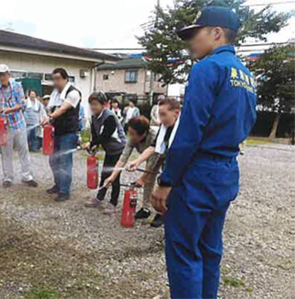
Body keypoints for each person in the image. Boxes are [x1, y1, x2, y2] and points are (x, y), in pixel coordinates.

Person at [151, 7, 256, 298]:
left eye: (195, 34)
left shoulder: (207, 68)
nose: (190, 42)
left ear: (216, 33)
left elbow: (189, 131)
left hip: (198, 173)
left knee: (184, 252)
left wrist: (166, 180)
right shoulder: (247, 77)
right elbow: (246, 124)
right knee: (209, 251)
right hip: (226, 172)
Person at [127, 98, 181, 228]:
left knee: (175, 192)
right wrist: (138, 161)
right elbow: (153, 147)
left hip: (182, 165)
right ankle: (165, 214)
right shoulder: (164, 128)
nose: (160, 119)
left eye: (163, 114)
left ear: (176, 113)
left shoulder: (185, 128)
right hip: (169, 162)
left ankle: (172, 219)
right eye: (159, 114)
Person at [0, 64, 38, 188]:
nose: (2, 77)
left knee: (24, 150)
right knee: (6, 153)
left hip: (18, 124)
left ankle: (27, 176)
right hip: (3, 127)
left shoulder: (17, 86)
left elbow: (22, 104)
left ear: (9, 75)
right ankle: (8, 177)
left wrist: (9, 110)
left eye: (4, 74)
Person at [83, 92, 126, 215]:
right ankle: (99, 198)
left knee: (115, 177)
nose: (93, 107)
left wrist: (91, 143)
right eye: (91, 104)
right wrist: (94, 145)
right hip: (109, 150)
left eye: (96, 104)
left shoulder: (110, 117)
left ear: (104, 105)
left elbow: (105, 135)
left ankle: (113, 203)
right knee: (104, 173)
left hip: (119, 149)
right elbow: (96, 134)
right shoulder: (93, 117)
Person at [43, 68, 81, 201]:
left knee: (65, 162)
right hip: (56, 132)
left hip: (68, 133)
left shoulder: (74, 93)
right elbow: (51, 109)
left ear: (66, 79)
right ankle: (58, 184)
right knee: (53, 160)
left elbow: (63, 108)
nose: (56, 82)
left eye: (58, 79)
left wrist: (51, 116)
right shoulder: (55, 93)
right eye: (54, 79)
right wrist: (46, 118)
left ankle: (64, 191)